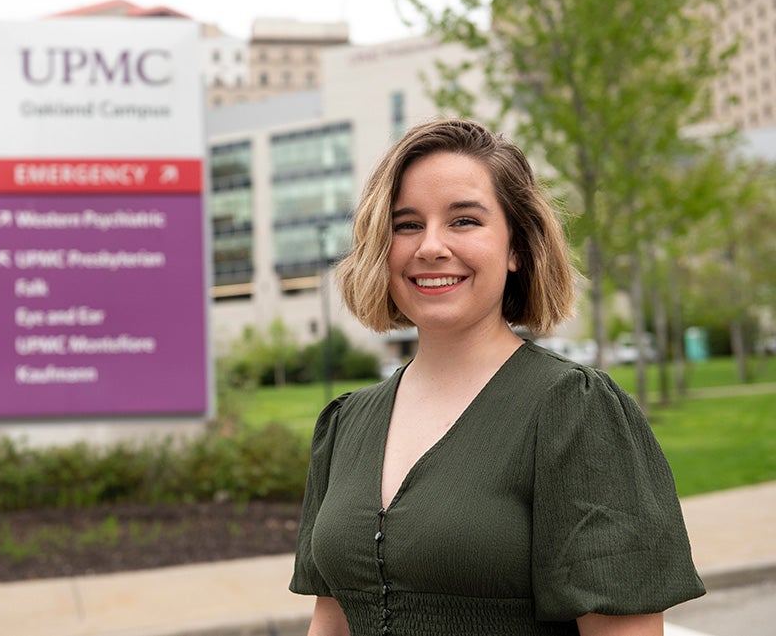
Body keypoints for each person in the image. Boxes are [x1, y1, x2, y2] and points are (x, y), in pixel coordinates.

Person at [289, 118, 704, 635]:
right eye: (406, 224)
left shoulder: (574, 410)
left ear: (516, 249)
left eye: (464, 221)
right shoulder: (345, 422)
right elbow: (330, 622)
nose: (430, 247)